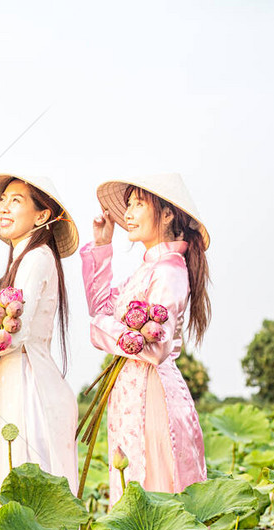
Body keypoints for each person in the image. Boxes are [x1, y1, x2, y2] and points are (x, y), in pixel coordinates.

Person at [81, 173, 209, 504]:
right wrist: (103, 246)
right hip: (130, 390)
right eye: (129, 205)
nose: (128, 213)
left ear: (167, 213)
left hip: (153, 395)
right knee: (132, 491)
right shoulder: (147, 269)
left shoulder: (169, 270)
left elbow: (154, 348)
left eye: (139, 204)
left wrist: (100, 329)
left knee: (152, 487)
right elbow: (100, 306)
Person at [0, 174, 79, 494]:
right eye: (3, 200)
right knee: (18, 483)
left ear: (42, 215)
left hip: (30, 381)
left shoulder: (37, 257)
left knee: (32, 487)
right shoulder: (21, 261)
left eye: (16, 200)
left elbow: (16, 334)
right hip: (14, 377)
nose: (3, 207)